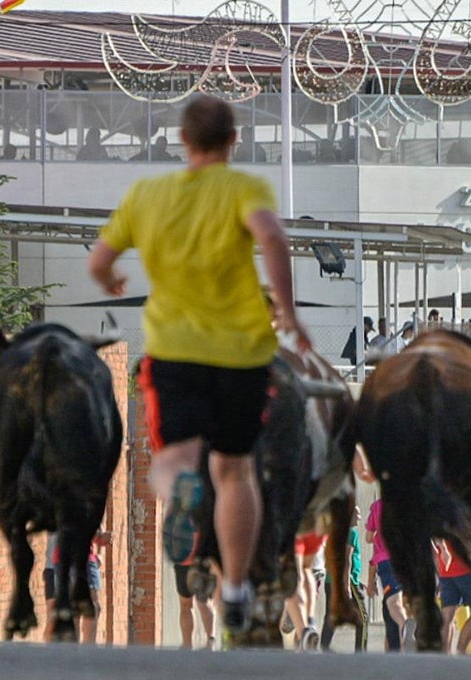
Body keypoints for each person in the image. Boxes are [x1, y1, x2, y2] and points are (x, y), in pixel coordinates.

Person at [88, 94, 312, 636]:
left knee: (174, 459)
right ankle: (234, 587)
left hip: (175, 351)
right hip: (242, 354)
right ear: (233, 141)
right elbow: (273, 237)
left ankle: (182, 493)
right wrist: (288, 312)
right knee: (234, 471)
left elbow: (99, 259)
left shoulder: (149, 195)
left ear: (183, 142)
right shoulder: (243, 189)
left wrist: (109, 282)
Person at [365, 496, 416, 652]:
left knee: (392, 602)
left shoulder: (377, 506)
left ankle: (404, 625)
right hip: (406, 559)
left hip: (386, 560)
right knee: (400, 601)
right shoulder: (407, 505)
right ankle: (404, 643)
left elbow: (368, 538)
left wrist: (377, 535)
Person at [321, 504, 369, 652]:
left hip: (332, 580)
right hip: (346, 581)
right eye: (357, 514)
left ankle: (324, 646)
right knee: (363, 617)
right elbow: (346, 559)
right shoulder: (351, 533)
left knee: (331, 614)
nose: (359, 518)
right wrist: (347, 584)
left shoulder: (337, 531)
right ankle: (360, 650)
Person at [433, 538, 471, 654]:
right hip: (465, 567)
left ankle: (444, 655)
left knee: (447, 615)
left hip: (445, 568)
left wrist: (443, 549)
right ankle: (460, 651)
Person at [175, 559, 218, 650]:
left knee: (186, 605)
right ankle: (210, 641)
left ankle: (187, 645)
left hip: (184, 557)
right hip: (204, 558)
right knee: (203, 601)